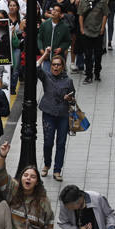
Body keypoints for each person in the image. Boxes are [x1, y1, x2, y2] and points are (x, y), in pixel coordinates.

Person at [36, 52, 75, 182]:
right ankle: (47, 164)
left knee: (61, 143)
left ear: (63, 67)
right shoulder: (46, 76)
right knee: (48, 142)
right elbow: (36, 67)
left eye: (58, 65)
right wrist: (45, 54)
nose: (55, 67)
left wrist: (69, 99)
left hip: (63, 115)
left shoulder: (68, 81)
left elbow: (73, 100)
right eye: (53, 65)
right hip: (48, 113)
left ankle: (57, 170)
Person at [77, 0, 108, 84]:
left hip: (98, 32)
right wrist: (82, 29)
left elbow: (105, 14)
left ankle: (97, 72)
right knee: (88, 55)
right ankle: (88, 75)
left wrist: (102, 28)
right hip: (86, 32)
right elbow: (80, 15)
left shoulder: (102, 1)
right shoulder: (83, 1)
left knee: (98, 54)